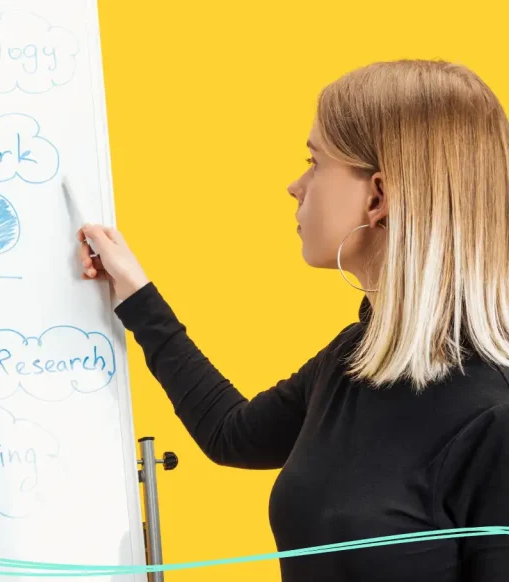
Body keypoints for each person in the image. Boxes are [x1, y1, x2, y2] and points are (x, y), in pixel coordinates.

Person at [78, 59, 509, 581]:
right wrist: (135, 294)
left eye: (315, 161)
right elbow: (231, 435)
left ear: (378, 197)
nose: (295, 185)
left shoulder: (493, 416)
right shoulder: (355, 361)